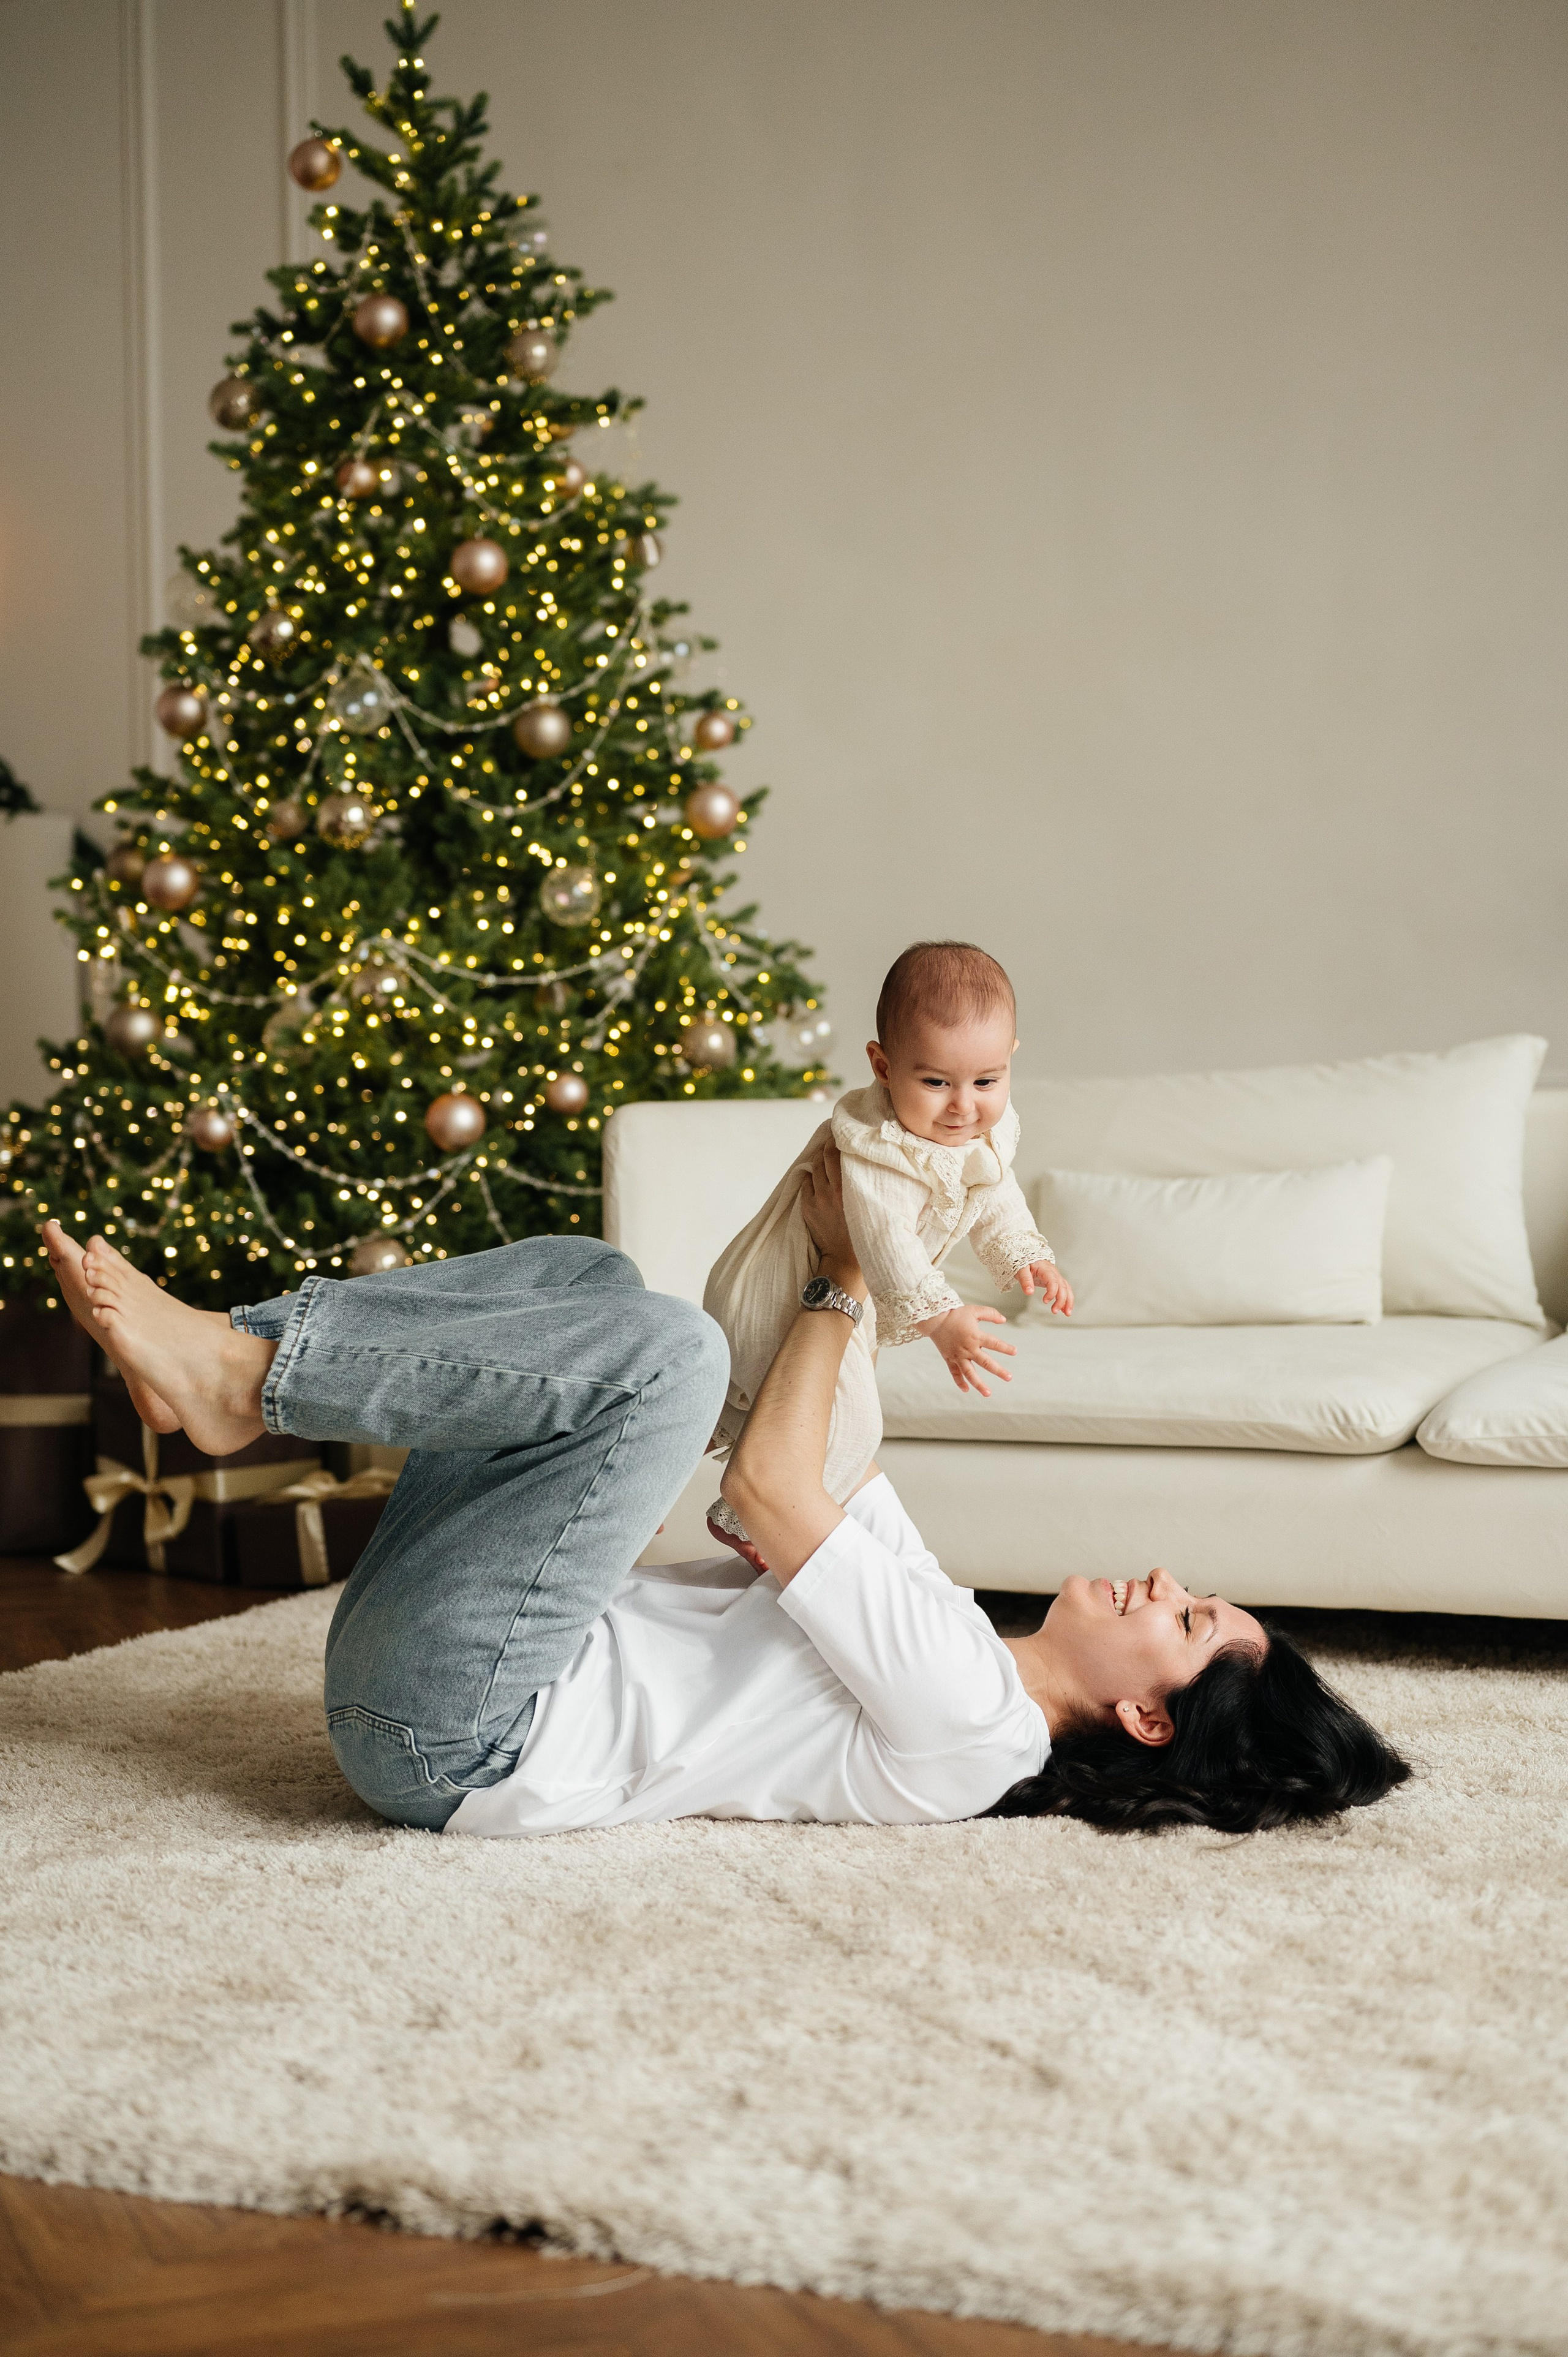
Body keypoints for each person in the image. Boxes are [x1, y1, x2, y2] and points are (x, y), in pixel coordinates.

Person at [39, 1172, 1409, 1838]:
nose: (1162, 1581)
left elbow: (762, 1484)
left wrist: (844, 1278)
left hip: (458, 1732)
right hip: (451, 1671)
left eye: (1186, 1618)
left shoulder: (976, 1726)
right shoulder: (950, 1637)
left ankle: (244, 1380)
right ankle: (235, 1364)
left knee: (673, 1357)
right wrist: (870, 1233)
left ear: (1150, 1717)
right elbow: (815, 1469)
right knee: (590, 1279)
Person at [704, 940, 1072, 1545]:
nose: (963, 1106)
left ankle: (745, 1493)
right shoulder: (879, 1148)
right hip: (780, 1293)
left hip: (840, 1293)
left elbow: (994, 1190)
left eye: (986, 1079)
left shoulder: (980, 1129)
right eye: (935, 1081)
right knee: (851, 1423)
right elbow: (885, 1243)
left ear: (1010, 1056)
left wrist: (1026, 1253)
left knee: (789, 1412)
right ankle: (751, 1523)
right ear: (882, 1066)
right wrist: (943, 1321)